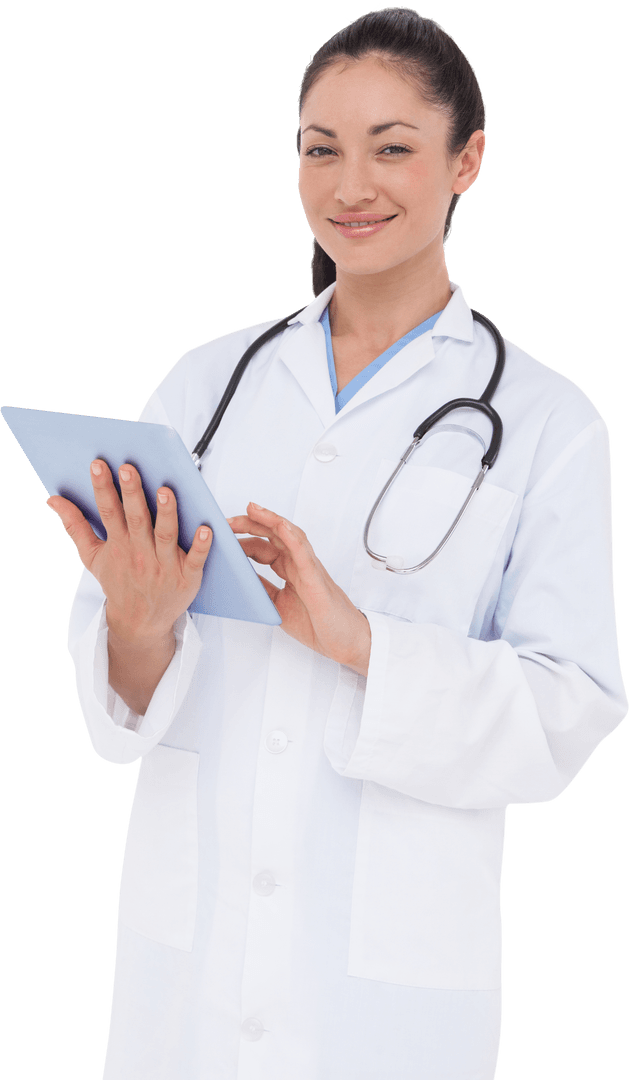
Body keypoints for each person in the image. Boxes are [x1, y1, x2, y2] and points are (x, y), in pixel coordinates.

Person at [47, 7, 627, 1079]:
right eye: (321, 150)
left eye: (391, 148)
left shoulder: (546, 422)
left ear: (466, 161)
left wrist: (364, 643)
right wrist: (137, 624)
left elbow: (567, 711)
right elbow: (118, 701)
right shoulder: (205, 384)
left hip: (385, 1006)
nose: (350, 185)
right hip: (188, 983)